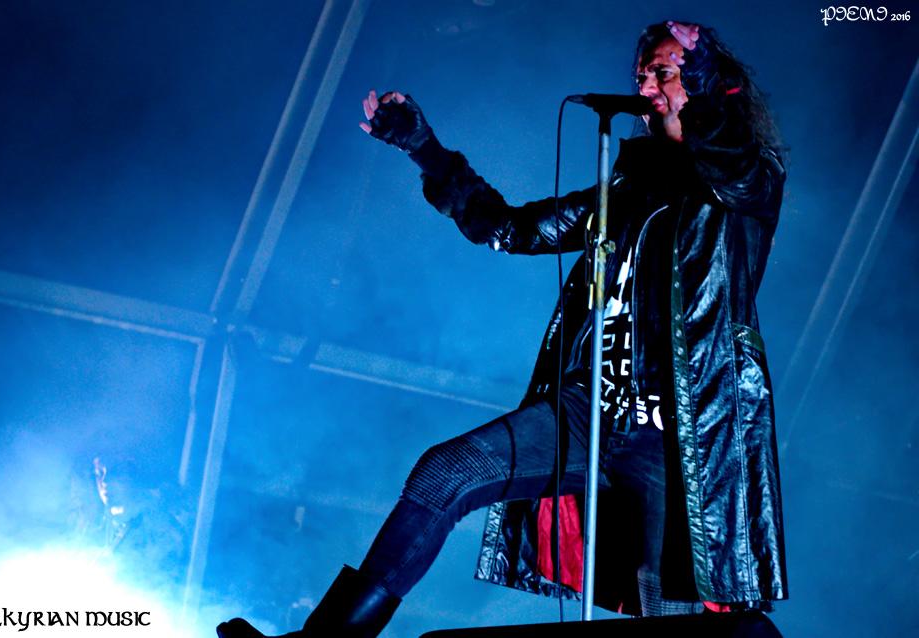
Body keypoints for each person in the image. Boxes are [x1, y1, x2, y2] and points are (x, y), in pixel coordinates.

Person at [216, 20, 788, 638]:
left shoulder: (750, 181)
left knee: (668, 608)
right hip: (589, 411)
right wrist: (425, 149)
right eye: (641, 75)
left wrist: (704, 86)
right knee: (447, 470)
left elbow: (733, 165)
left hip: (677, 434)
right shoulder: (626, 190)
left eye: (664, 73)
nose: (645, 86)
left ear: (705, 82)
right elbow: (510, 228)